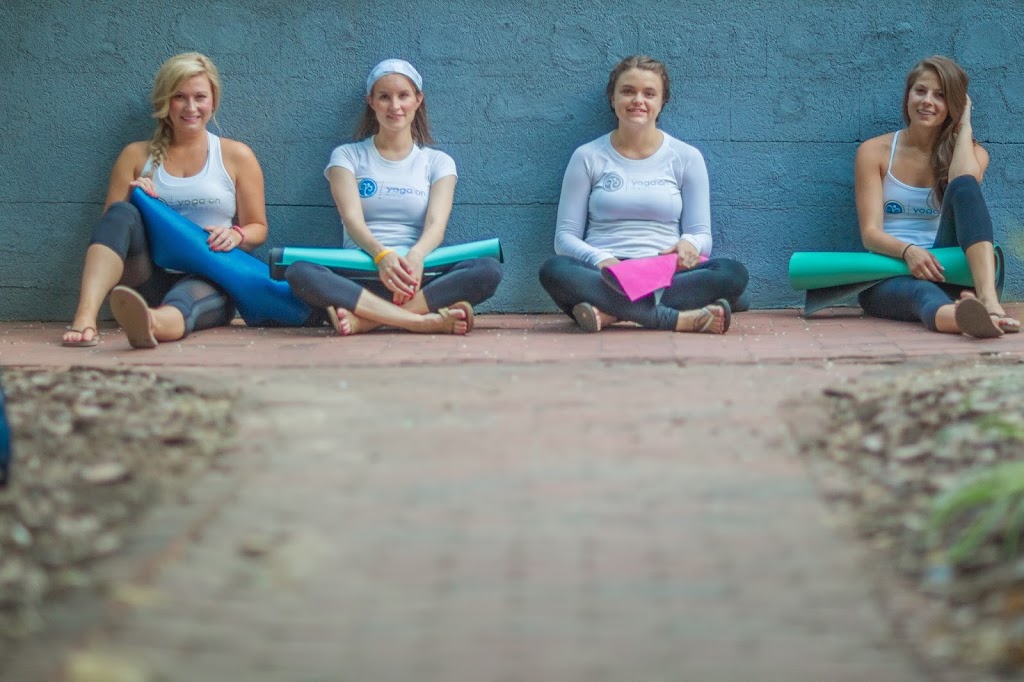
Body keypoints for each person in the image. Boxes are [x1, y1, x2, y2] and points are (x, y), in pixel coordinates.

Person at [62, 52, 267, 349]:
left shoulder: (237, 156)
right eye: (179, 97)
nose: (191, 107)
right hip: (147, 277)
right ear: (164, 101)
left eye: (200, 97)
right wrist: (139, 200)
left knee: (186, 301)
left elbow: (258, 227)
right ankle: (84, 318)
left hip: (210, 277)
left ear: (213, 101)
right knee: (122, 211)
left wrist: (237, 235)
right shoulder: (134, 156)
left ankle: (149, 323)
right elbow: (111, 229)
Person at [284, 59, 503, 336]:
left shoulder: (438, 162)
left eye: (403, 96)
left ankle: (365, 321)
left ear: (418, 100)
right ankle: (422, 321)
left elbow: (436, 224)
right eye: (384, 97)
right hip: (360, 277)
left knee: (487, 270)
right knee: (299, 272)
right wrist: (382, 256)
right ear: (371, 102)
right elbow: (352, 220)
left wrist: (416, 256)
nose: (395, 106)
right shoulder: (347, 156)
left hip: (417, 276)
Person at [538, 55, 748, 334]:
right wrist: (602, 259)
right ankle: (676, 318)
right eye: (627, 91)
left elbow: (701, 234)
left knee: (732, 274)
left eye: (649, 93)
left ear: (662, 102)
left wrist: (688, 244)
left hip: (665, 272)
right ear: (612, 99)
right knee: (555, 270)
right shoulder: (587, 157)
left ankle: (611, 312)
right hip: (604, 273)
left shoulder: (686, 157)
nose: (638, 100)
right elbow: (564, 238)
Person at [854, 55, 1019, 337]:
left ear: (953, 105)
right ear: (908, 97)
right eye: (920, 91)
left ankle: (988, 301)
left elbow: (964, 181)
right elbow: (870, 234)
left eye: (940, 95)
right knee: (923, 293)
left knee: (966, 185)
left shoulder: (974, 153)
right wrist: (909, 252)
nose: (927, 101)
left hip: (948, 271)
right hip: (890, 275)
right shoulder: (873, 151)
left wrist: (964, 124)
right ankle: (966, 319)